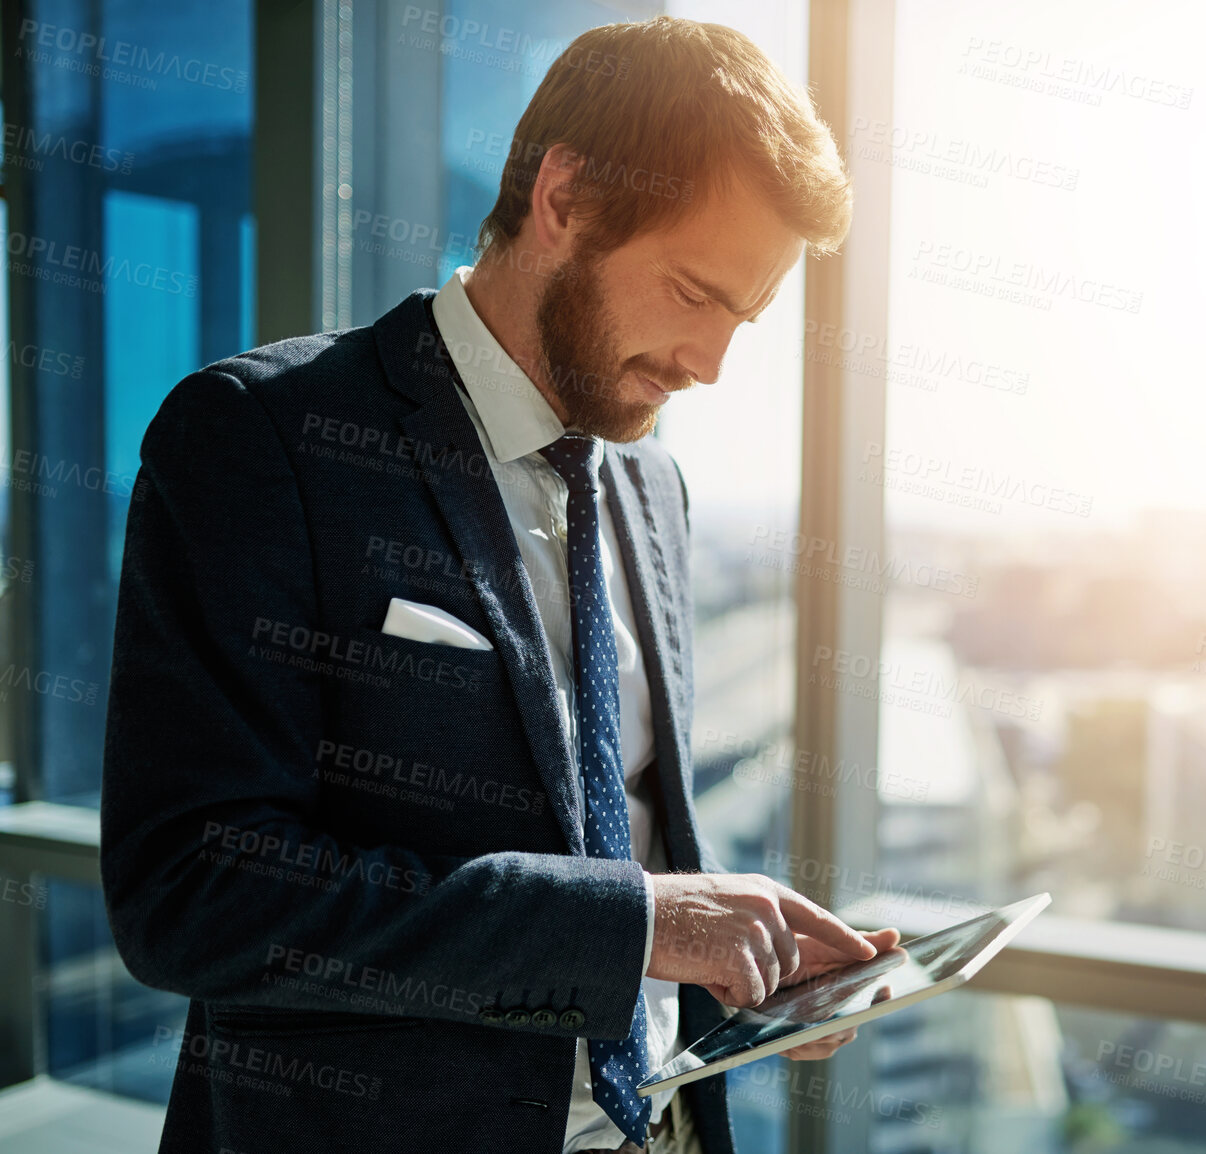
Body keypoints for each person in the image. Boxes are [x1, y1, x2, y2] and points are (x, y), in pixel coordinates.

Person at [99, 16, 896, 1154]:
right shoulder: (264, 438)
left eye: (743, 317)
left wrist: (732, 963)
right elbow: (192, 893)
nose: (711, 363)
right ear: (564, 197)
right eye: (692, 291)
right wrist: (636, 923)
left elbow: (614, 823)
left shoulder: (653, 485)